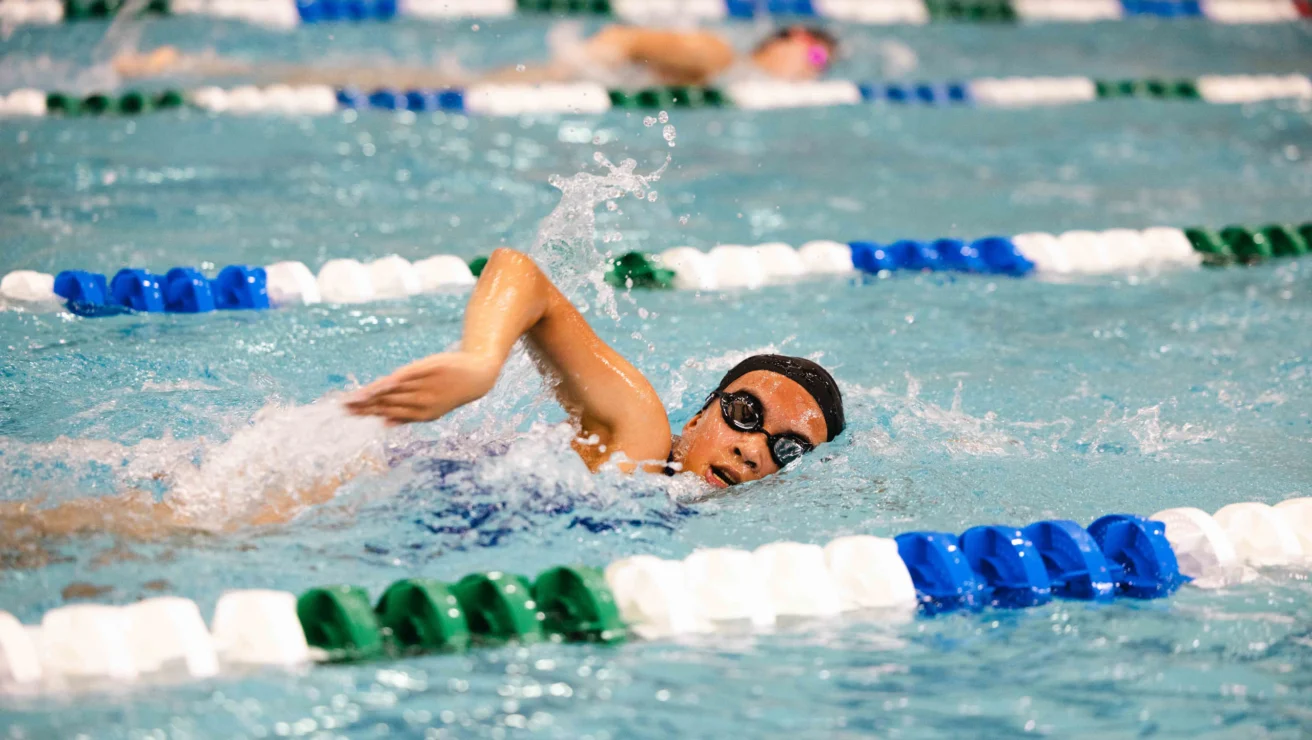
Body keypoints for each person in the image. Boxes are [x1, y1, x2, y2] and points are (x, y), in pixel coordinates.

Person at [346, 247, 845, 488]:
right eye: (743, 412)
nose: (751, 449)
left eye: (787, 448)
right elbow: (520, 272)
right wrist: (479, 363)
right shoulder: (641, 442)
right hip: (362, 476)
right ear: (696, 418)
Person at [111, 24, 838, 89]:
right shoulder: (715, 54)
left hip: (553, 80)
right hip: (548, 80)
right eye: (809, 60)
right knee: (345, 79)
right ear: (777, 43)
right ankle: (178, 65)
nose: (808, 75)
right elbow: (631, 39)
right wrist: (591, 62)